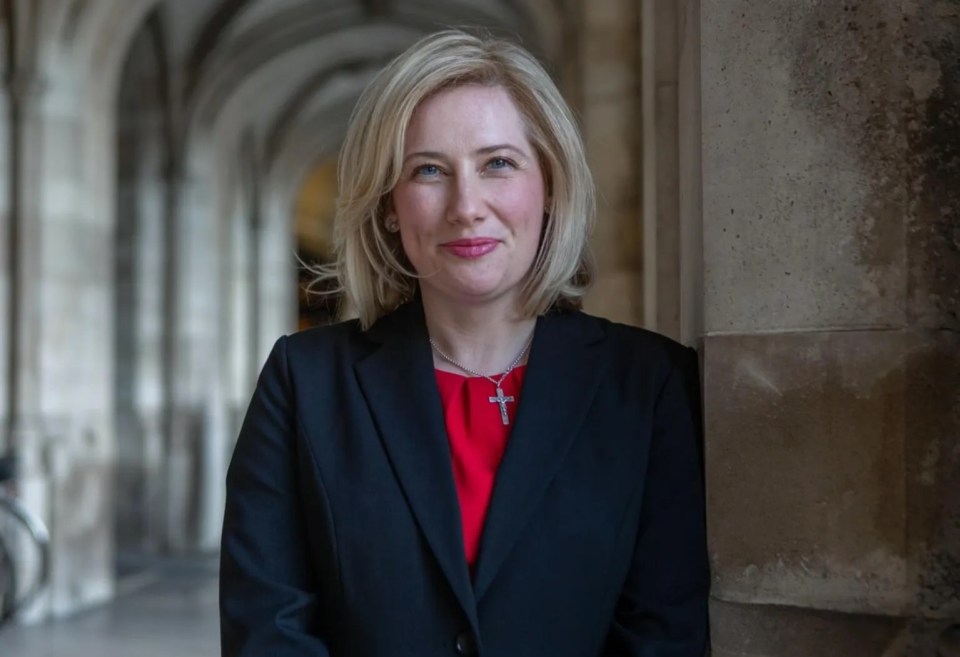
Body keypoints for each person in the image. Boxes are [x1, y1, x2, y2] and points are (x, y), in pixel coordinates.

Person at [219, 29, 709, 657]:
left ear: (550, 184)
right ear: (390, 205)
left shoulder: (650, 383)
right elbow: (268, 626)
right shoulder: (304, 382)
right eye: (429, 170)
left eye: (498, 163)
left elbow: (665, 632)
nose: (466, 206)